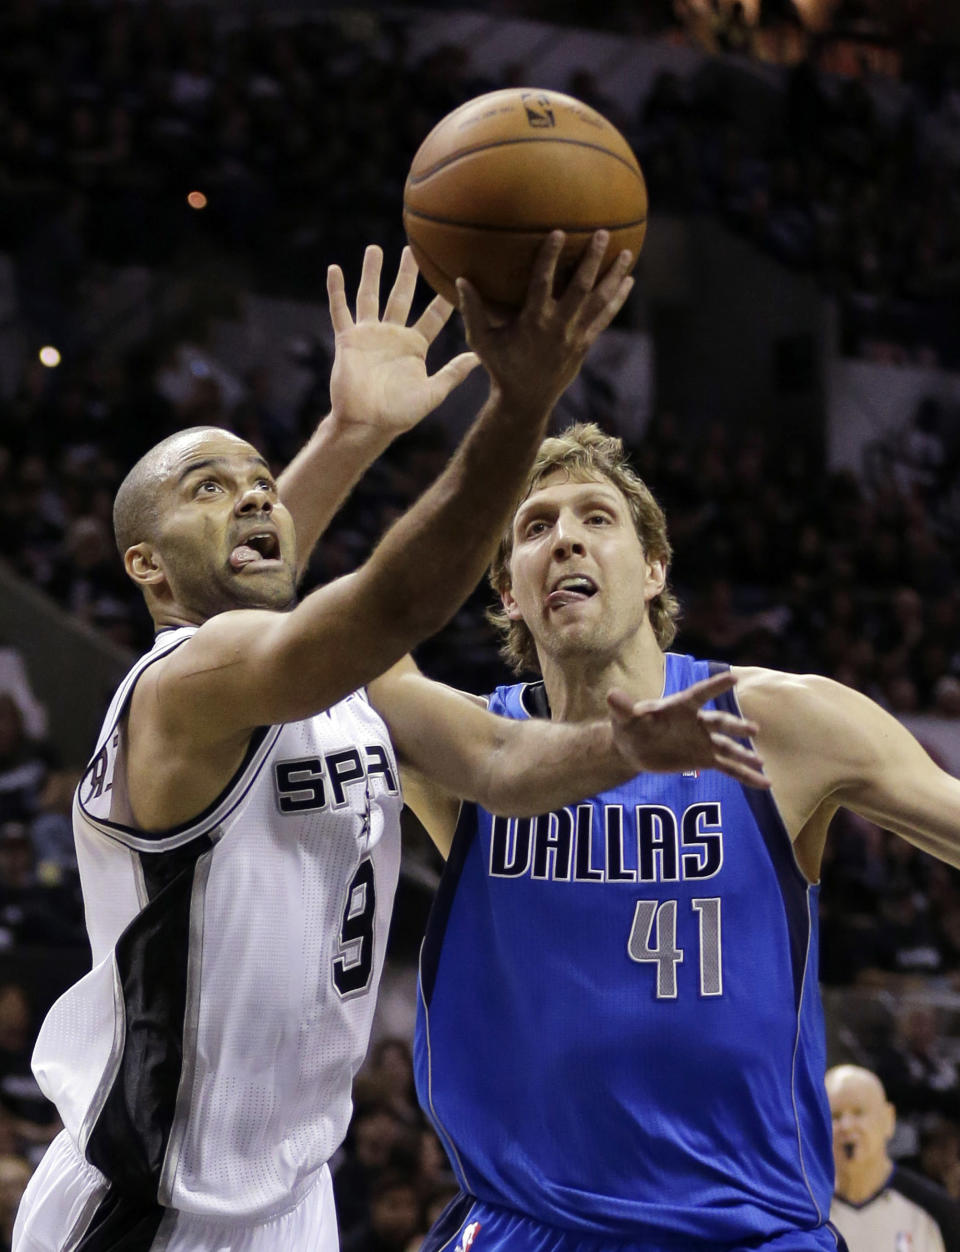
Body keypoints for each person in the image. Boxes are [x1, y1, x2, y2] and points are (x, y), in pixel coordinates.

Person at [12, 242, 764, 1252]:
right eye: (205, 486)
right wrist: (519, 406)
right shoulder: (182, 684)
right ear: (145, 565)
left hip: (291, 1195)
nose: (248, 494)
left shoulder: (348, 691)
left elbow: (502, 766)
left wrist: (627, 752)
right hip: (153, 1204)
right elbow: (387, 600)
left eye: (257, 478)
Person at [403, 422, 960, 1252]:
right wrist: (365, 434)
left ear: (654, 568)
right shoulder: (465, 751)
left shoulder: (778, 721)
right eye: (534, 526)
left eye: (597, 518)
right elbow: (323, 649)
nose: (565, 541)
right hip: (529, 1227)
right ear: (508, 593)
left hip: (743, 1228)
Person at [827, 1064, 960, 1252]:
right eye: (835, 1116)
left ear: (889, 1119)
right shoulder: (804, 1214)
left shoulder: (939, 1213)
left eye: (859, 1112)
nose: (847, 1126)